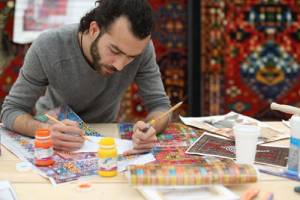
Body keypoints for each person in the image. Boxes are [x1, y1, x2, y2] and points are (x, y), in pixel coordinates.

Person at [0, 0, 171, 154]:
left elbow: (160, 106)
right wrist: (45, 130)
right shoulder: (49, 45)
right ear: (94, 29)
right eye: (115, 51)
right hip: (54, 133)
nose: (120, 66)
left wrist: (150, 128)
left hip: (104, 135)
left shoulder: (142, 49)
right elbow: (11, 110)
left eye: (131, 57)